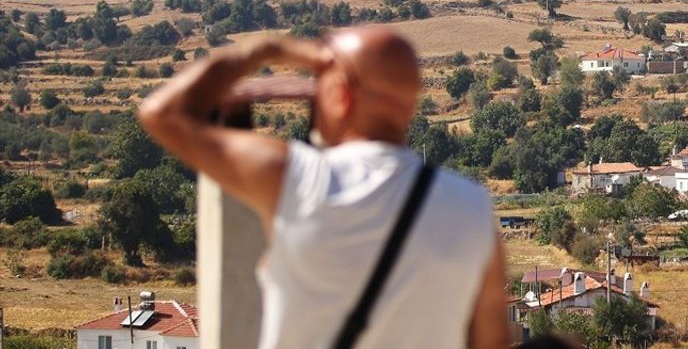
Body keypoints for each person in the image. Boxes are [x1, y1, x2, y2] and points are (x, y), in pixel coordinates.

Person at [140, 27, 510, 349]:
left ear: (342, 95)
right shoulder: (472, 205)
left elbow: (162, 113)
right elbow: (491, 341)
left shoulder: (296, 177)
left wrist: (266, 49)